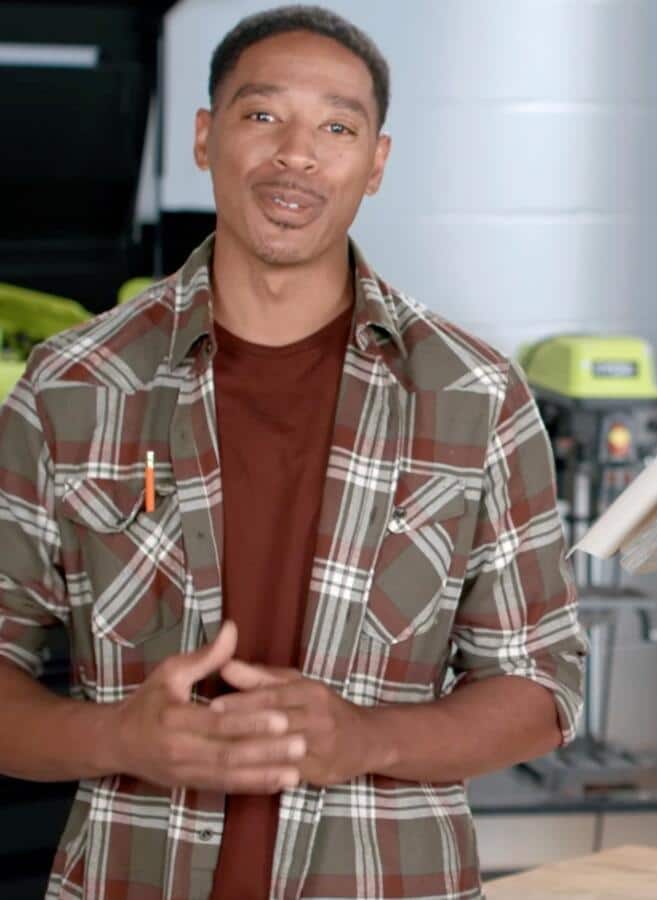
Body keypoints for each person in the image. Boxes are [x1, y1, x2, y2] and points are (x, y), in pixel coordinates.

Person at [0, 6, 586, 897]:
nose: (297, 155)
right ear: (205, 138)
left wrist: (367, 738)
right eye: (262, 115)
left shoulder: (473, 394)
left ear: (376, 162)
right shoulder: (72, 385)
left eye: (337, 126)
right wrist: (120, 737)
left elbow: (542, 689)